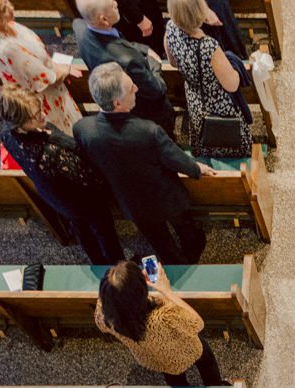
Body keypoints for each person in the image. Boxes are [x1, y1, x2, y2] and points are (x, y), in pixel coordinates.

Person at [74, 64, 217, 265]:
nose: (136, 89)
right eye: (131, 88)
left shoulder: (83, 129)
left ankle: (175, 263)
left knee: (159, 240)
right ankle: (193, 249)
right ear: (117, 103)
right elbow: (176, 159)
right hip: (164, 195)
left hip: (131, 202)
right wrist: (196, 168)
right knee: (185, 227)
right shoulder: (148, 131)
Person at [0, 85, 125, 265]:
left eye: (39, 108)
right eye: (35, 115)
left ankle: (97, 260)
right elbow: (87, 177)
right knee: (103, 230)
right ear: (19, 122)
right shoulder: (50, 152)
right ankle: (118, 264)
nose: (42, 115)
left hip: (54, 195)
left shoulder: (7, 135)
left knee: (81, 229)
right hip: (82, 198)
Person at [96, 260, 225, 385]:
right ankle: (215, 385)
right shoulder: (164, 316)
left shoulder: (104, 316)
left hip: (152, 356)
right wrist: (166, 291)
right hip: (185, 349)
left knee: (171, 373)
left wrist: (130, 287)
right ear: (141, 290)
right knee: (206, 361)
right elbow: (198, 323)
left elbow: (116, 298)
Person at [0, 0, 82, 135]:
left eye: (6, 2)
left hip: (31, 76)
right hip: (43, 96)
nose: (11, 7)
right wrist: (65, 69)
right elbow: (49, 80)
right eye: (4, 9)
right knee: (68, 132)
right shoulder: (9, 48)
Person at [164, 0, 252, 160]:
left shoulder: (170, 28)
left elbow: (172, 62)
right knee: (225, 139)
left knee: (202, 132)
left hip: (194, 97)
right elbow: (232, 85)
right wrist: (236, 67)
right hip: (216, 104)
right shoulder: (208, 46)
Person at [74, 0, 176, 135]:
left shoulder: (79, 26)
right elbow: (156, 89)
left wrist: (144, 48)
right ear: (103, 19)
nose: (116, 3)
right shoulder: (129, 61)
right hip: (146, 107)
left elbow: (118, 41)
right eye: (112, 5)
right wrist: (155, 63)